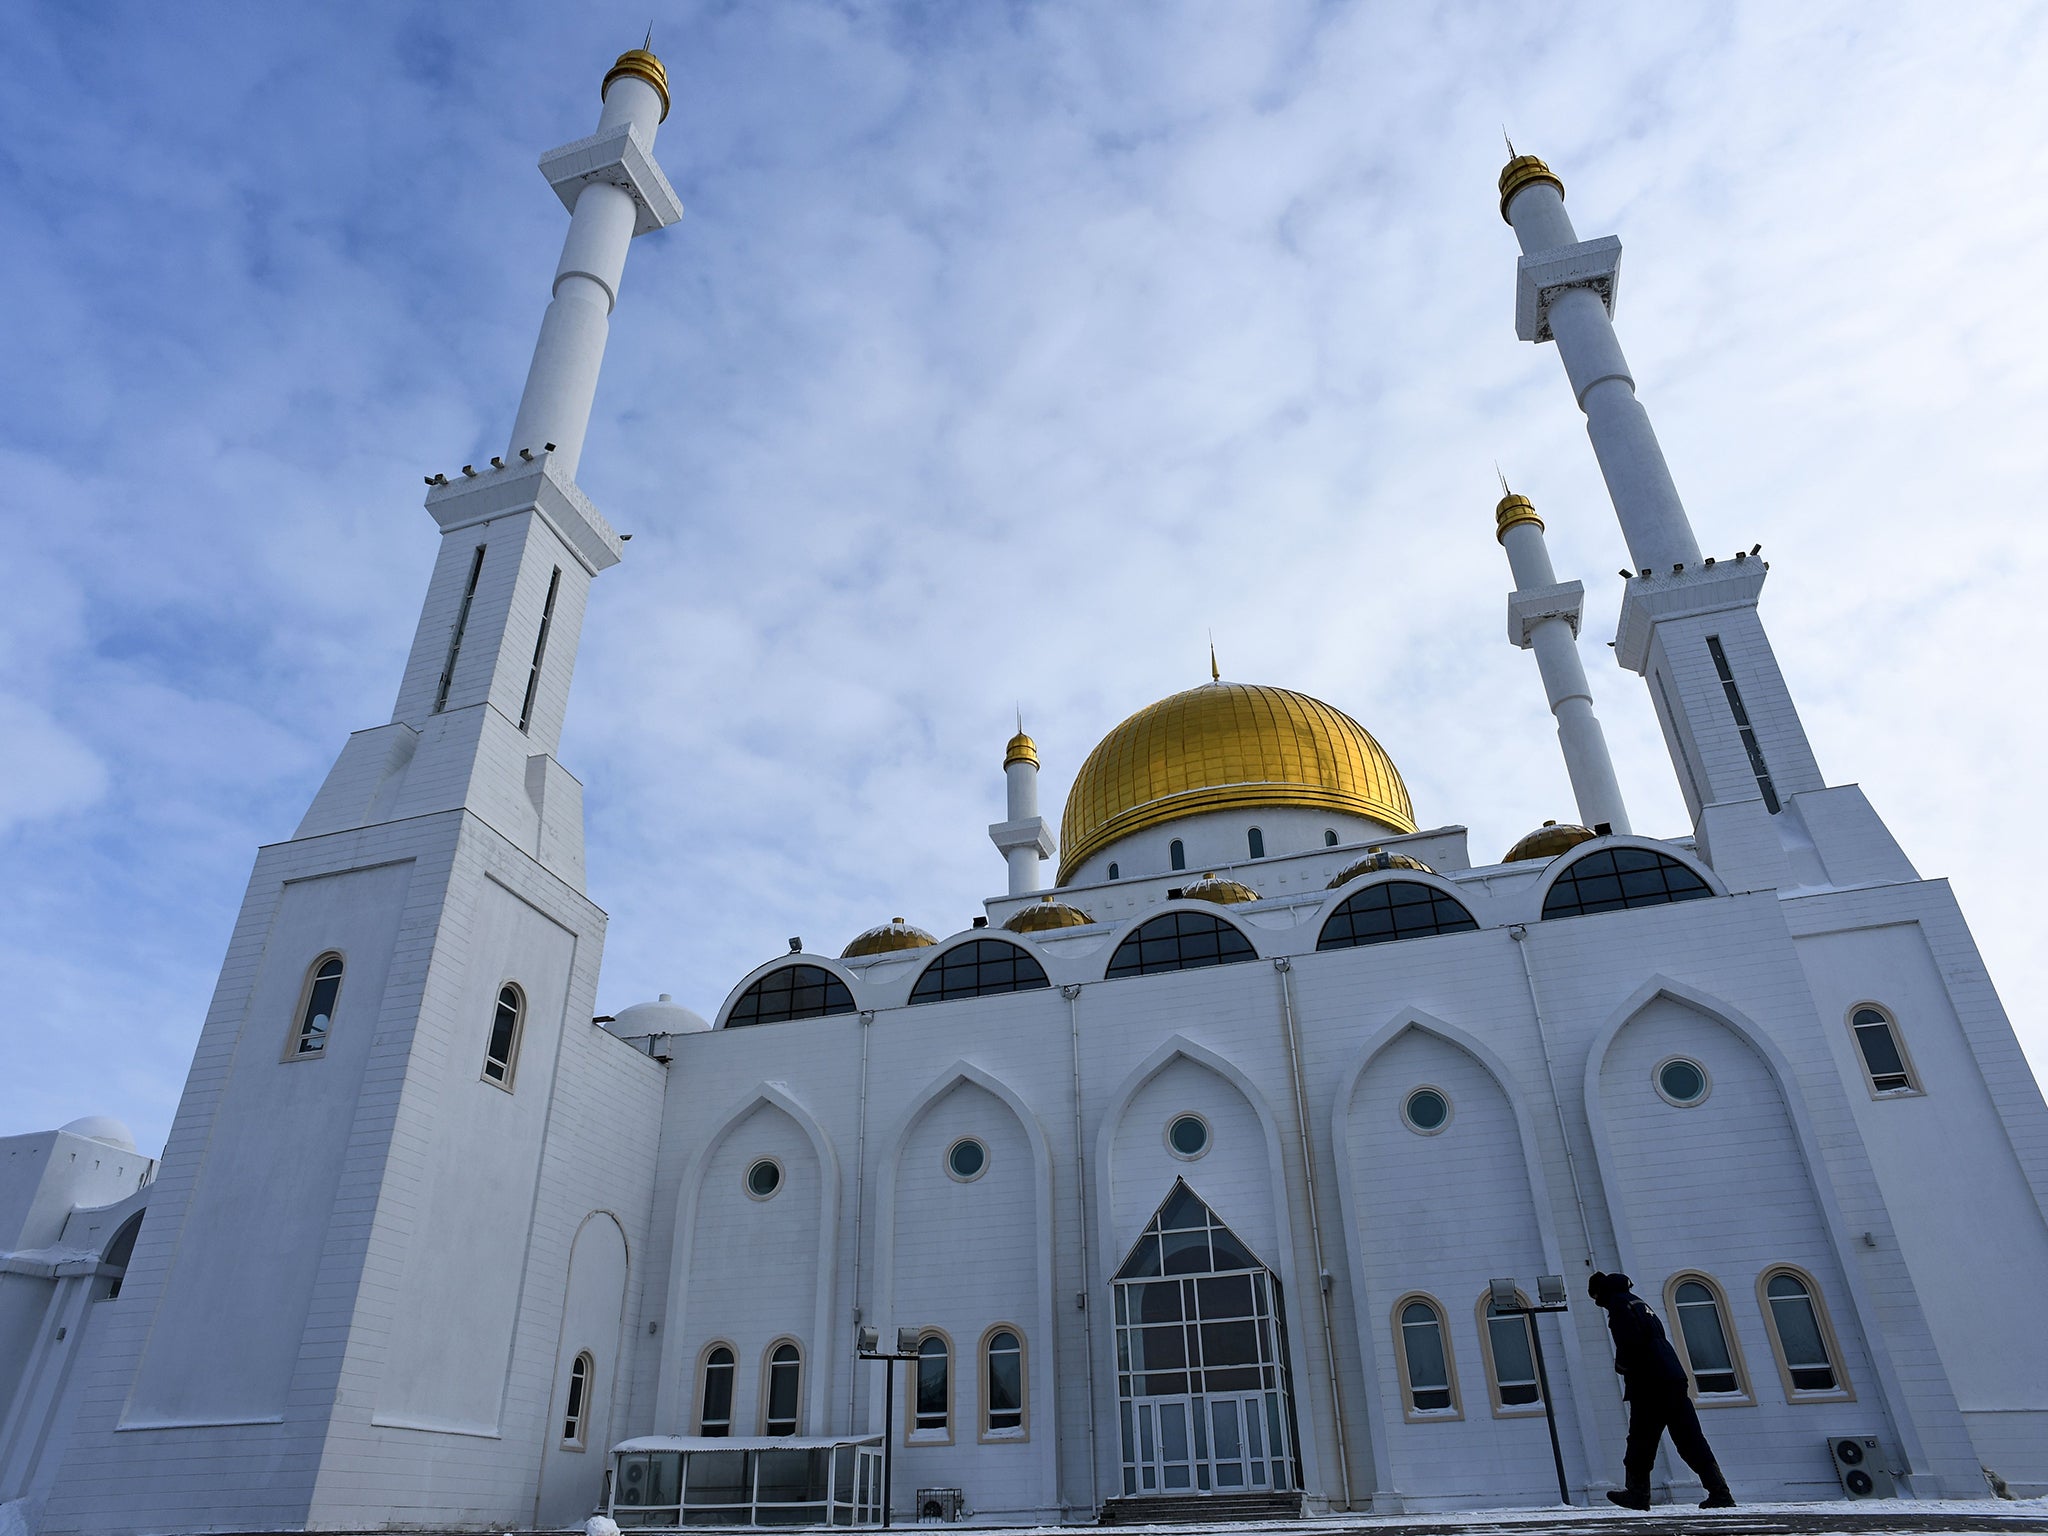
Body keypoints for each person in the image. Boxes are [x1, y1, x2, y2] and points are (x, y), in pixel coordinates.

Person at [1587, 1271, 1735, 1509]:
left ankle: (1638, 1493)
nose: (1597, 1303)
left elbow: (1629, 1341)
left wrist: (1622, 1365)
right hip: (1673, 1376)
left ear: (1601, 1291)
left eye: (1595, 1297)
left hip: (1649, 1382)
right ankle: (1720, 1491)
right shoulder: (1639, 1302)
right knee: (1690, 1439)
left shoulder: (1618, 1305)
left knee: (1640, 1440)